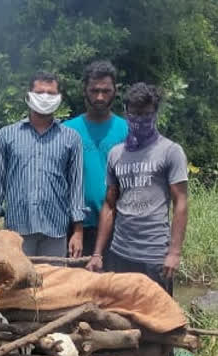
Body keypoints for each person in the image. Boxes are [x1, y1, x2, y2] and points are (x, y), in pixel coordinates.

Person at [86, 82, 189, 356]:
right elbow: (109, 205)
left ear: (155, 114)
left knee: (161, 327)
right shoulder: (117, 154)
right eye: (135, 116)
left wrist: (174, 252)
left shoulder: (170, 151)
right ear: (126, 114)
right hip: (121, 253)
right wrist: (98, 253)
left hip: (155, 255)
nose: (141, 123)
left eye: (147, 117)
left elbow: (181, 203)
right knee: (119, 321)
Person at [0, 71, 85, 258]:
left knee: (54, 285)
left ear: (59, 98)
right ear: (29, 95)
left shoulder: (71, 138)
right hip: (16, 232)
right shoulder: (6, 135)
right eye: (40, 92)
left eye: (51, 93)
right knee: (15, 283)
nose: (45, 97)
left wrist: (78, 232)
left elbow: (76, 188)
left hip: (55, 231)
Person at [63, 61, 128, 256]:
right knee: (75, 285)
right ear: (85, 91)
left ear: (115, 91)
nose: (100, 97)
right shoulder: (67, 130)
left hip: (118, 227)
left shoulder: (128, 130)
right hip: (74, 228)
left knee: (112, 285)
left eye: (106, 91)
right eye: (94, 90)